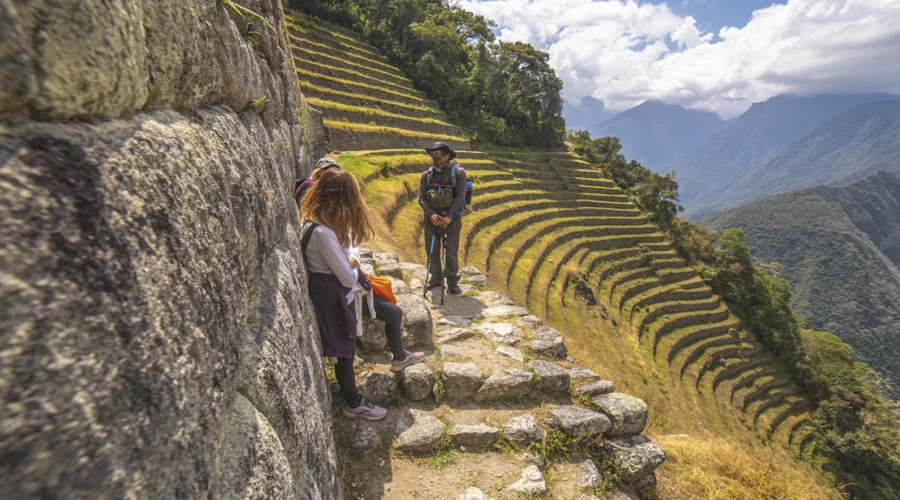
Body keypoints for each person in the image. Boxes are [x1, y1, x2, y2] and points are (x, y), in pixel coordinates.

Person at [299, 164, 425, 420]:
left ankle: (399, 357)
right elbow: (346, 277)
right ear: (340, 198)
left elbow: (349, 249)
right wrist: (353, 265)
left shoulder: (324, 223)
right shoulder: (322, 232)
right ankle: (354, 403)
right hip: (333, 295)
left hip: (338, 290)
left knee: (391, 313)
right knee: (344, 351)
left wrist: (352, 262)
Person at [418, 142, 467, 295]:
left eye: (439, 154)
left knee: (451, 250)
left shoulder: (458, 173)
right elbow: (421, 197)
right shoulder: (427, 175)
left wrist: (450, 216)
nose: (436, 157)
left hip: (451, 219)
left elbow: (461, 196)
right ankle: (436, 278)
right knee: (431, 249)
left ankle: (452, 281)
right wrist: (430, 213)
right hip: (432, 218)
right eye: (433, 154)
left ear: (447, 155)